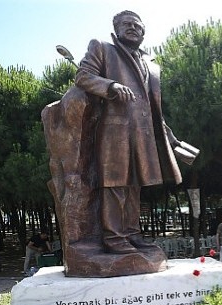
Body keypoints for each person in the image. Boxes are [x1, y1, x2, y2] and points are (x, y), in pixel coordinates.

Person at [74, 10, 193, 254]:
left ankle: (131, 233)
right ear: (116, 28)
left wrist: (170, 139)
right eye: (127, 24)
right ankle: (113, 237)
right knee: (115, 184)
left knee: (135, 186)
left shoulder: (150, 63)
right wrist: (111, 86)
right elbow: (83, 76)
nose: (133, 28)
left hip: (144, 134)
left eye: (138, 25)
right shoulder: (103, 48)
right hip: (114, 132)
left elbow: (152, 108)